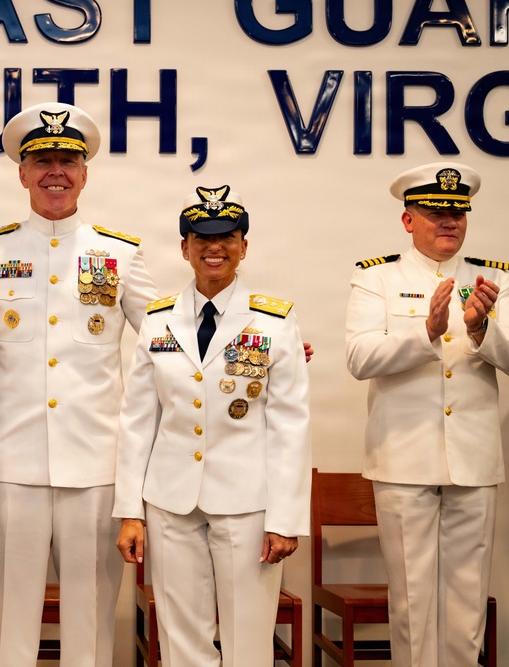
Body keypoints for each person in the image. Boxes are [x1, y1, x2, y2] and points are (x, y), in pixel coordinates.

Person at [0, 102, 160, 667]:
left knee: (93, 618)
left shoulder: (119, 253)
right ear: (23, 172)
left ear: (85, 172)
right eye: (43, 160)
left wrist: (245, 347)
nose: (56, 170)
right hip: (11, 464)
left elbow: (166, 337)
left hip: (96, 467)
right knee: (8, 618)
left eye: (68, 159)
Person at [114, 185, 311, 667]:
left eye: (227, 236)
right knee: (180, 639)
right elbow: (138, 420)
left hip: (248, 505)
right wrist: (131, 510)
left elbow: (291, 426)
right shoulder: (159, 321)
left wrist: (285, 518)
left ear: (244, 246)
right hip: (170, 500)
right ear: (184, 248)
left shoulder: (274, 322)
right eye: (201, 237)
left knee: (248, 638)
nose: (214, 247)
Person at [345, 162, 509, 667]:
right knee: (411, 599)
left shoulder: (491, 279)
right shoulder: (377, 277)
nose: (449, 221)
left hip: (472, 461)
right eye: (435, 212)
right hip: (404, 461)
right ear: (409, 220)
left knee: (467, 601)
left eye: (457, 212)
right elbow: (359, 359)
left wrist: (480, 330)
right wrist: (426, 331)